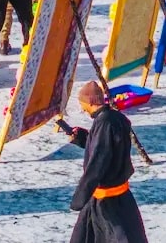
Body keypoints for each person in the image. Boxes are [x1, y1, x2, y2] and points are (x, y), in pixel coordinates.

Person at [62, 81, 150, 243]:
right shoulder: (116, 117)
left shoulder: (104, 123)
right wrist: (82, 138)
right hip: (116, 196)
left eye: (83, 105)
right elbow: (107, 146)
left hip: (106, 198)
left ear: (90, 102)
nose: (82, 109)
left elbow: (98, 161)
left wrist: (79, 197)